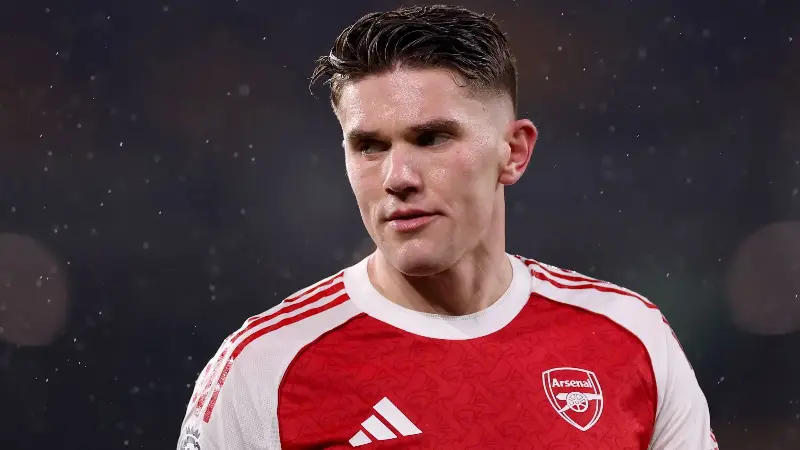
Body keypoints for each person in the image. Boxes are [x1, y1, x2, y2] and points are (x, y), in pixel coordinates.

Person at [177, 5, 718, 449]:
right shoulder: (266, 367)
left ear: (513, 152)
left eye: (431, 139)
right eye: (369, 146)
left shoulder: (629, 337)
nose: (397, 177)